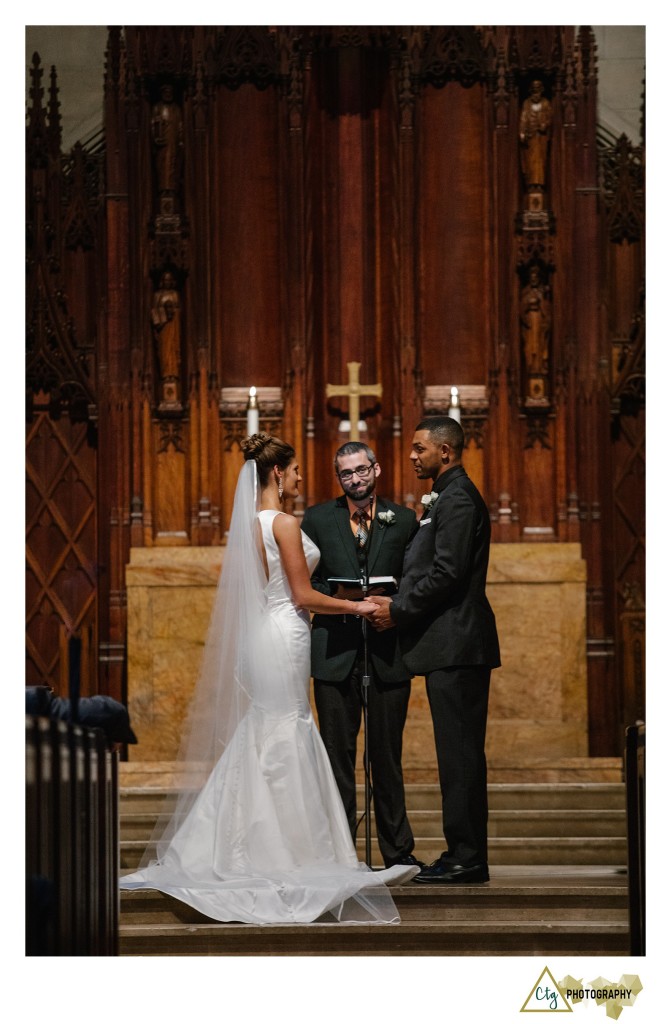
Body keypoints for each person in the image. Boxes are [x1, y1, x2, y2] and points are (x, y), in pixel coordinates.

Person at [120, 433, 418, 923]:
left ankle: (248, 843)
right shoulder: (282, 522)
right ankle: (289, 851)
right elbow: (301, 595)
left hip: (266, 633)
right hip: (286, 631)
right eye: (296, 470)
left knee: (267, 728)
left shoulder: (248, 524)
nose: (301, 477)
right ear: (278, 473)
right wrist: (355, 605)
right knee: (287, 727)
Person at [369, 417, 500, 884]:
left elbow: (447, 573)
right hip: (450, 644)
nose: (411, 456)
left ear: (445, 452)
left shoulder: (458, 498)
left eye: (419, 448)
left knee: (460, 754)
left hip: (459, 643)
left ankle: (467, 856)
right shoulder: (444, 495)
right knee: (454, 753)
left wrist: (398, 609)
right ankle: (463, 851)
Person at [301, 442, 422, 869]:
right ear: (339, 478)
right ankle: (338, 855)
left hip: (387, 650)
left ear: (377, 469)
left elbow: (417, 579)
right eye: (346, 474)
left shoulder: (405, 519)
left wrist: (395, 604)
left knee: (386, 756)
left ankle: (398, 853)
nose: (355, 479)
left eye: (361, 470)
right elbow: (303, 580)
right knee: (337, 758)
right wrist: (337, 595)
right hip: (335, 651)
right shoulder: (317, 519)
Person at [519, 78, 553, 192]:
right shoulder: (527, 103)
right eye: (534, 88)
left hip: (541, 137)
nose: (536, 91)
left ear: (541, 89)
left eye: (538, 88)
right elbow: (523, 119)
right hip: (530, 137)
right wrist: (522, 133)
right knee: (530, 162)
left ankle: (540, 184)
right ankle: (530, 184)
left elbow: (549, 118)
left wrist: (545, 124)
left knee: (540, 161)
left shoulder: (545, 103)